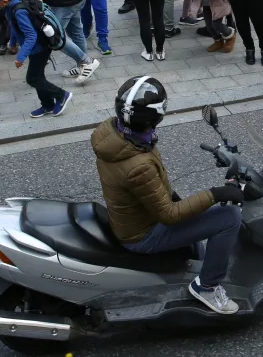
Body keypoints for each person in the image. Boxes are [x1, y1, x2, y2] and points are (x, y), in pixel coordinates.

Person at [92, 77, 244, 314]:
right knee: (229, 217)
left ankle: (203, 266)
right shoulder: (138, 162)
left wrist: (176, 197)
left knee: (197, 210)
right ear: (152, 118)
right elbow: (169, 215)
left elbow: (148, 188)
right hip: (143, 234)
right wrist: (216, 193)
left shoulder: (119, 134)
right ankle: (207, 287)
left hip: (135, 218)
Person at [0, 0, 73, 119]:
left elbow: (31, 36)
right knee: (38, 77)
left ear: (4, 1)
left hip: (39, 49)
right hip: (36, 48)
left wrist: (20, 57)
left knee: (32, 79)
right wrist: (13, 42)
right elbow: (14, 27)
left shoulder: (19, 11)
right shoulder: (11, 7)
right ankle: (48, 105)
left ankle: (62, 95)